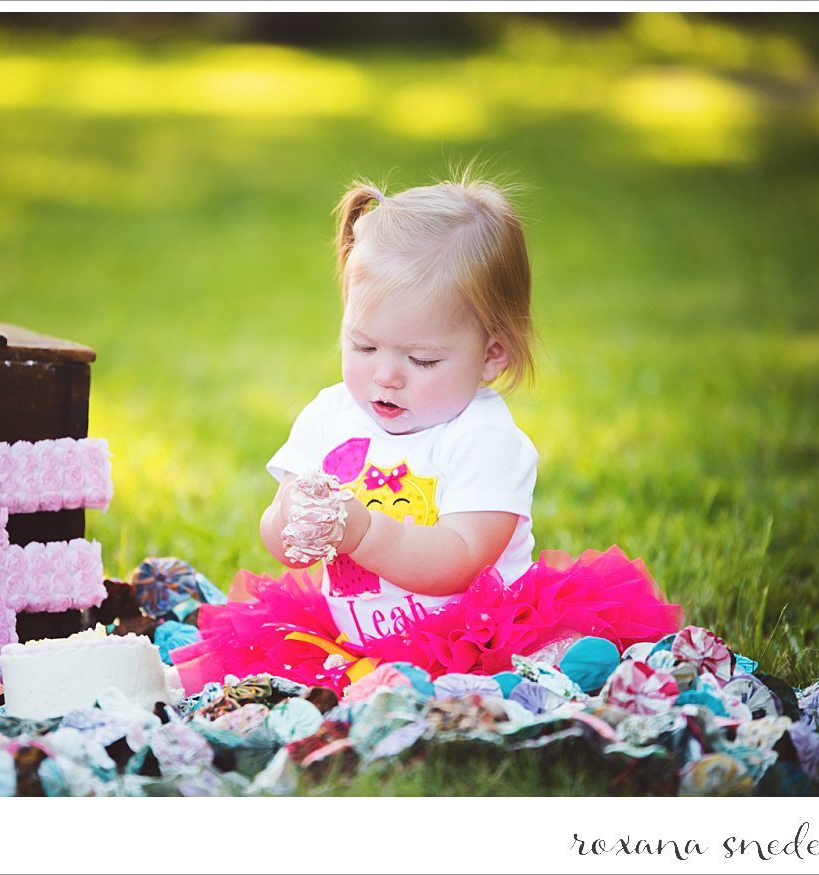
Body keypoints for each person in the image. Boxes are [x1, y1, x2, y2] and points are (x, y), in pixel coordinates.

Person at [171, 171, 681, 695]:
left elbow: (459, 560)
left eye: (422, 358)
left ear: (491, 354)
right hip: (354, 638)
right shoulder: (332, 414)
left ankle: (544, 671)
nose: (386, 375)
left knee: (519, 671)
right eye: (363, 346)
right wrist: (291, 518)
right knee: (256, 662)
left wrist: (364, 533)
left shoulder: (484, 440)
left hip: (474, 637)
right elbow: (281, 542)